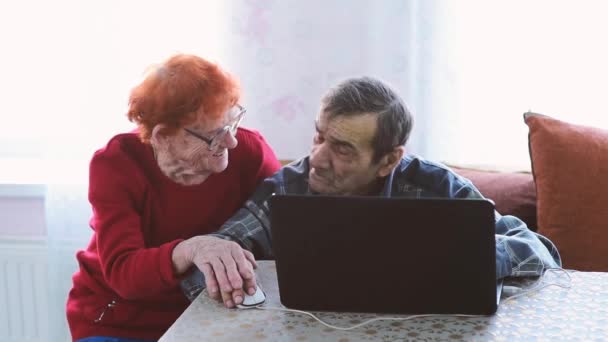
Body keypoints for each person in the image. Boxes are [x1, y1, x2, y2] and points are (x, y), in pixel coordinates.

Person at [181, 76, 562, 308]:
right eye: (319, 136)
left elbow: (542, 254)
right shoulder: (288, 187)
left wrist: (460, 253)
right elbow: (203, 271)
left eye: (343, 149)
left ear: (388, 160)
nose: (318, 158)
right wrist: (221, 263)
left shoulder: (434, 186)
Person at [66, 54, 281, 341]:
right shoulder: (118, 163)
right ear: (162, 136)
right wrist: (192, 249)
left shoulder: (250, 153)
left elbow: (284, 230)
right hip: (121, 319)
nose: (231, 141)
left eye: (232, 123)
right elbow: (123, 273)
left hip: (212, 310)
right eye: (214, 134)